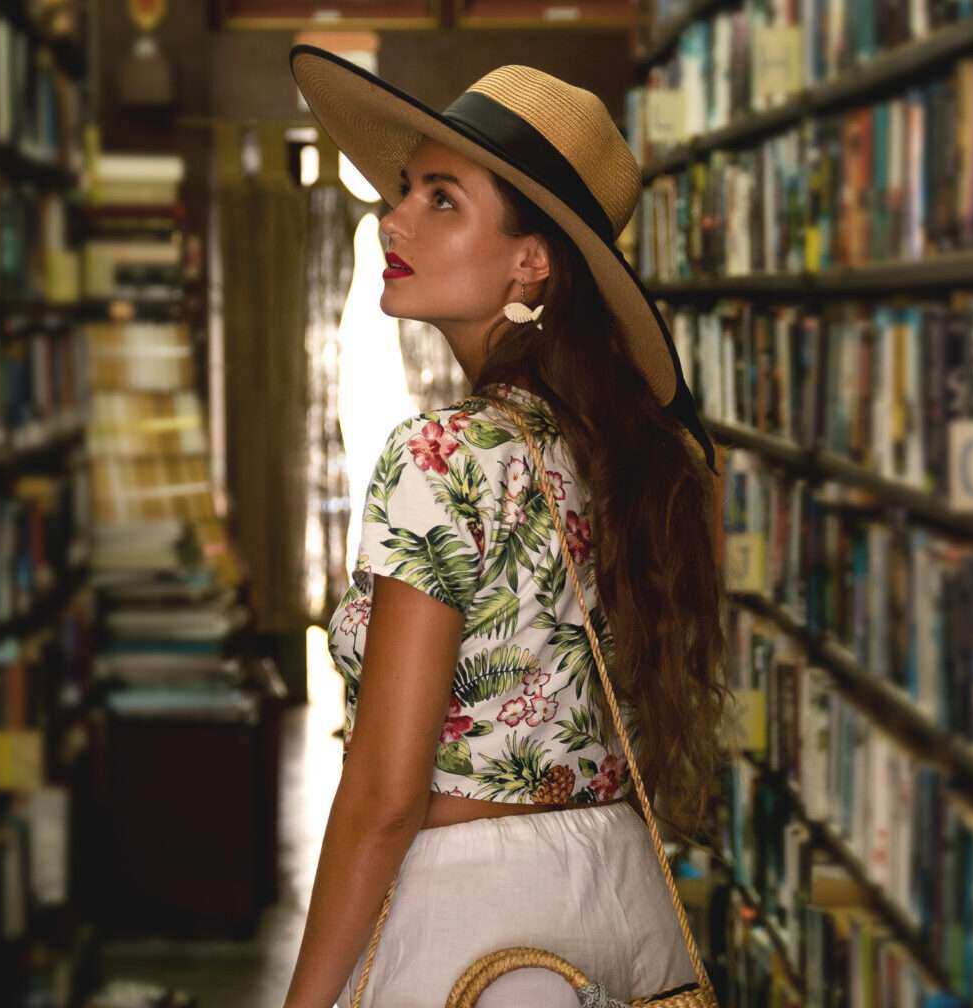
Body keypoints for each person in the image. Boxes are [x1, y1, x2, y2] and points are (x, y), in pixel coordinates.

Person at [280, 48, 730, 1008]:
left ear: (533, 262)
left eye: (441, 198)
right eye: (405, 190)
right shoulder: (621, 458)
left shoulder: (440, 456)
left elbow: (384, 795)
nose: (393, 218)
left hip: (471, 932)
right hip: (621, 904)